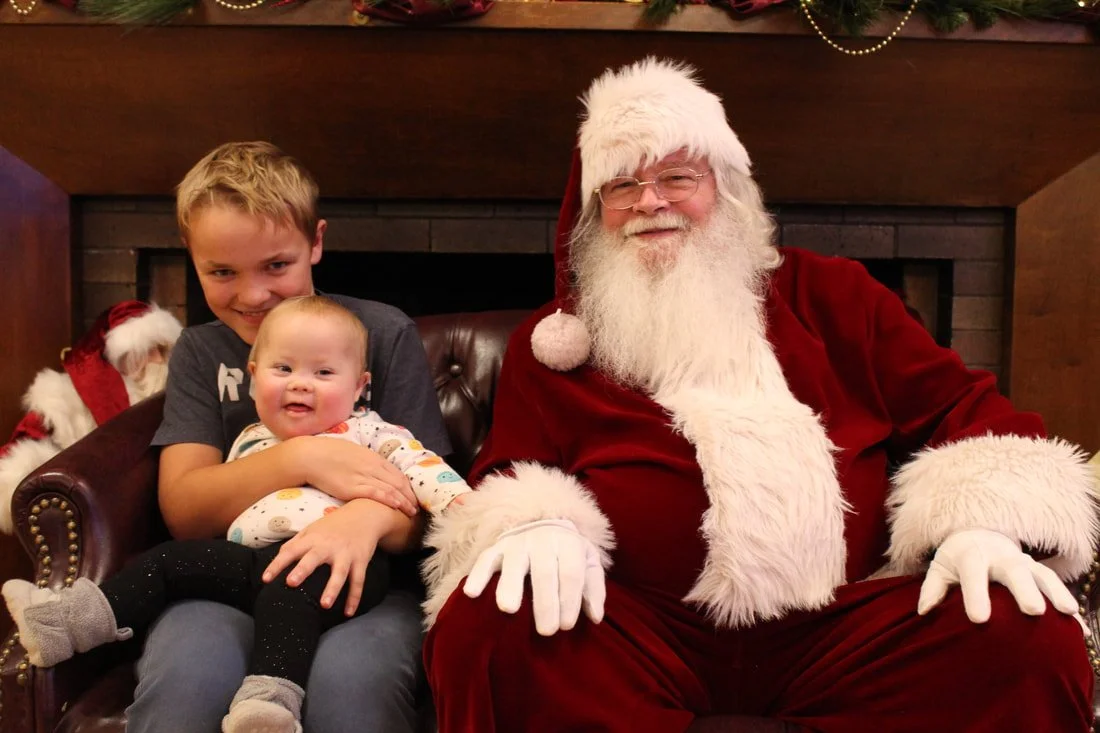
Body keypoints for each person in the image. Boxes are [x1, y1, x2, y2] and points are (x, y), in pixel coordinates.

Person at [420, 58, 1100, 733]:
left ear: (726, 188)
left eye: (676, 176)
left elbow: (966, 408)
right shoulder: (554, 346)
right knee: (488, 623)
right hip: (638, 635)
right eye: (622, 185)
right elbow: (508, 469)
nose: (649, 202)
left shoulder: (840, 298)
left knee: (1024, 633)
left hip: (840, 633)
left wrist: (979, 524)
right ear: (597, 213)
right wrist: (535, 523)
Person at [2, 295, 470, 733]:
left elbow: (427, 475)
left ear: (360, 387)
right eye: (282, 369)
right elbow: (201, 504)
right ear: (254, 375)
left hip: (339, 568)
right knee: (170, 561)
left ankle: (268, 703)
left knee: (291, 595)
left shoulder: (373, 431)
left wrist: (469, 511)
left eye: (324, 373)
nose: (300, 382)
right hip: (250, 563)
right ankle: (65, 624)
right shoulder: (251, 437)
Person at [126, 141, 450, 733]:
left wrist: (362, 519)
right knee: (183, 681)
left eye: (276, 266)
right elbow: (186, 512)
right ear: (191, 258)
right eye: (222, 272)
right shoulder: (201, 352)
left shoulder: (381, 332)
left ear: (316, 242)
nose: (252, 296)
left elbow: (432, 507)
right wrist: (303, 457)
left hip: (365, 586)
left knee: (353, 691)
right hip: (227, 576)